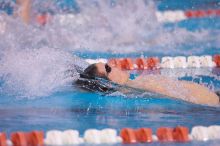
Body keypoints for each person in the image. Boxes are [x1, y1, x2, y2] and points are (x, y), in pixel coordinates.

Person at [76, 63, 220, 106]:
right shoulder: (142, 86)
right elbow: (185, 99)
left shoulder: (136, 87)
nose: (113, 65)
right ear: (107, 82)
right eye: (108, 68)